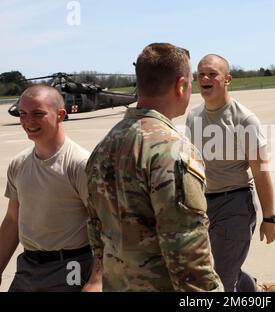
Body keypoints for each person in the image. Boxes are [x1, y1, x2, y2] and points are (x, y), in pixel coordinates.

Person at [85, 43, 222, 292]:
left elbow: (96, 229)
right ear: (180, 86)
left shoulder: (104, 146)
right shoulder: (173, 152)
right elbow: (187, 248)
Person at [185, 54, 275, 292]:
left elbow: (261, 172)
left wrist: (269, 218)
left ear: (228, 80)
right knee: (212, 269)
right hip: (202, 204)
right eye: (201, 74)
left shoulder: (244, 119)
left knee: (220, 279)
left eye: (212, 74)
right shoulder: (193, 116)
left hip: (234, 203)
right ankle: (257, 291)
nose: (205, 78)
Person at [0, 85, 101, 292]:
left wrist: (96, 281)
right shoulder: (18, 164)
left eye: (38, 114)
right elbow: (12, 219)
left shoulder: (80, 164)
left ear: (60, 115)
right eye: (23, 114)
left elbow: (107, 227)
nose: (28, 122)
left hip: (70, 269)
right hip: (28, 268)